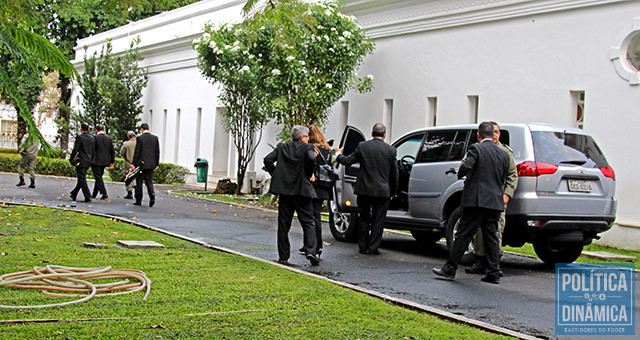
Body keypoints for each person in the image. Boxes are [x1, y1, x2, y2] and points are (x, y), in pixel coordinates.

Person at [433, 121, 509, 284]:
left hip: (476, 199)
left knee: (463, 234)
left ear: (478, 135)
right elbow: (502, 177)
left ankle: (450, 268)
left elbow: (466, 167)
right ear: (492, 134)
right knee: (491, 237)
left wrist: (461, 174)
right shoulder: (503, 154)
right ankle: (494, 271)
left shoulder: (476, 148)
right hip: (494, 201)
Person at [335, 123, 398, 255]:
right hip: (382, 191)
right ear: (384, 135)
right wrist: (393, 191)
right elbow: (394, 174)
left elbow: (348, 161)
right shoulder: (391, 150)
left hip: (364, 190)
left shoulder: (363, 146)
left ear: (371, 133)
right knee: (378, 220)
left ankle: (362, 246)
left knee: (363, 218)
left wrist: (338, 155)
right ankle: (373, 247)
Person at [466, 121, 518, 275]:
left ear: (499, 134)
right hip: (481, 197)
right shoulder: (477, 149)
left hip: (497, 198)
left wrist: (506, 195)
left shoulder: (505, 152)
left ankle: (494, 264)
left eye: (497, 132)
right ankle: (479, 261)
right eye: (492, 132)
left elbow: (512, 176)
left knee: (496, 231)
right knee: (479, 232)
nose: (494, 135)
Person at [264, 125, 319, 266]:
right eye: (307, 136)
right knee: (308, 222)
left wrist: (276, 174)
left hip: (285, 191)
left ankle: (283, 256)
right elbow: (312, 159)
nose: (308, 138)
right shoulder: (307, 148)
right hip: (302, 190)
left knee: (284, 224)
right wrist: (309, 173)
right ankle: (311, 251)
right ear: (302, 137)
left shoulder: (282, 147)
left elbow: (267, 160)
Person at [305, 124, 333, 256]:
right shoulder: (327, 149)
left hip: (314, 184)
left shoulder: (311, 148)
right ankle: (314, 244)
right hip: (325, 185)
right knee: (316, 215)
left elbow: (310, 164)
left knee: (312, 216)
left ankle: (315, 245)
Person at [131, 123, 160, 207]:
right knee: (149, 181)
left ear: (142, 129)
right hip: (151, 164)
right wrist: (156, 163)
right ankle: (152, 195)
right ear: (148, 128)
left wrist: (133, 163)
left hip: (141, 164)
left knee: (139, 181)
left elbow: (137, 152)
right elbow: (157, 152)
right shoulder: (155, 138)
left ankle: (139, 199)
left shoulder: (140, 138)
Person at [69, 123, 96, 202]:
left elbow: (75, 149)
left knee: (82, 178)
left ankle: (87, 195)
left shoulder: (80, 138)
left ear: (81, 129)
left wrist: (71, 159)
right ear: (88, 129)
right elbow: (93, 150)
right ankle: (74, 193)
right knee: (81, 177)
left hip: (81, 160)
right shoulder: (92, 138)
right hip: (88, 160)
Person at [90, 124, 115, 200]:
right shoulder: (109, 139)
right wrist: (112, 161)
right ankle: (94, 194)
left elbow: (92, 150)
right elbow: (112, 151)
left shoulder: (95, 138)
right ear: (104, 130)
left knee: (98, 177)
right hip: (105, 161)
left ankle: (103, 192)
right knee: (99, 177)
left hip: (96, 160)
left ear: (96, 130)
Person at [120, 131, 137, 199]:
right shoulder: (139, 143)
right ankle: (137, 189)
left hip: (128, 163)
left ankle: (129, 193)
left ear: (128, 137)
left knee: (128, 177)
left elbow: (121, 153)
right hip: (137, 163)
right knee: (136, 176)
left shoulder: (126, 144)